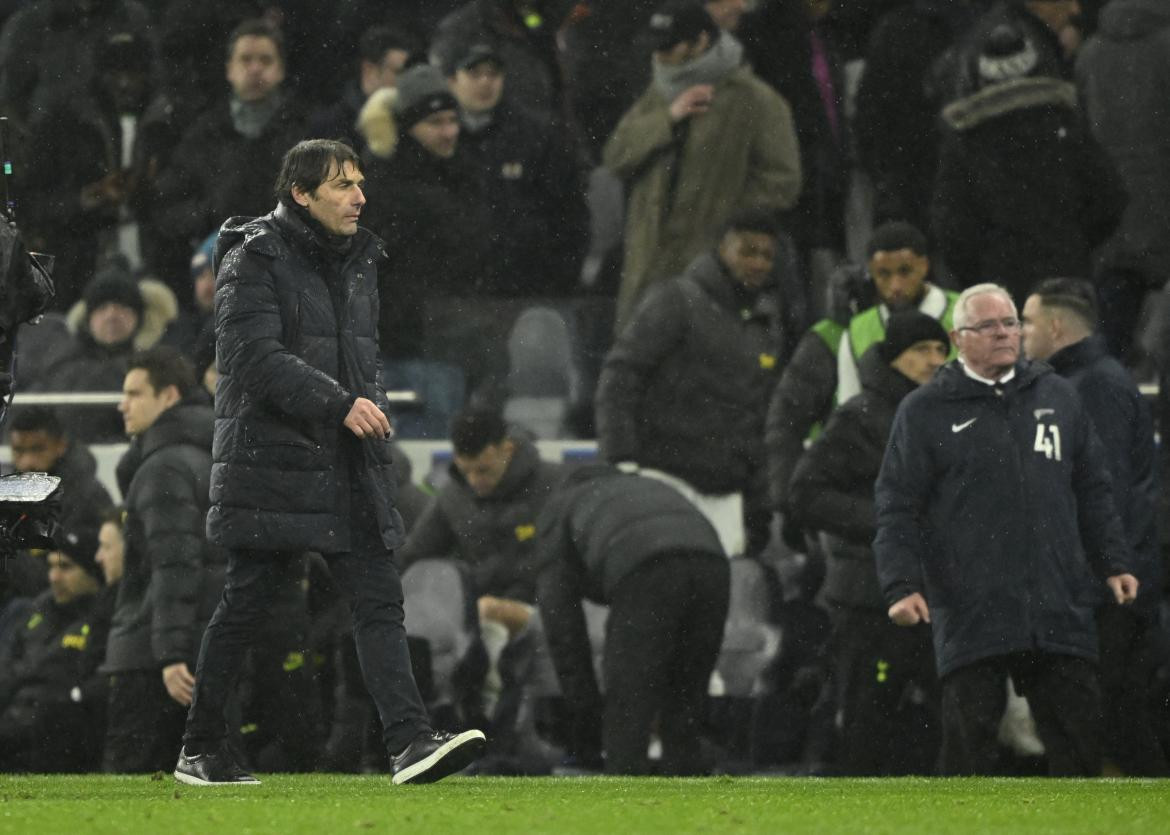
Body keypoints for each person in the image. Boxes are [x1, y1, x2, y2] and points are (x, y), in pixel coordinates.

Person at [174, 139, 484, 786]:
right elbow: (251, 358)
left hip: (344, 458)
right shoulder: (253, 258)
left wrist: (363, 417)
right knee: (247, 603)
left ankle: (408, 741)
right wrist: (341, 402)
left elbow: (356, 358)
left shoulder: (361, 258)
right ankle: (202, 747)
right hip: (272, 462)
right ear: (301, 194)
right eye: (343, 185)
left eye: (359, 183)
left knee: (378, 598)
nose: (359, 196)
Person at [874, 282, 1138, 776]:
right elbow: (896, 506)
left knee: (1079, 747)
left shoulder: (1059, 396)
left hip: (1055, 600)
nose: (1004, 333)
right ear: (959, 338)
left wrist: (1114, 561)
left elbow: (1092, 489)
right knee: (968, 751)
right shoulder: (925, 411)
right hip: (973, 603)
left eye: (1011, 322)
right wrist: (902, 585)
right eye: (988, 326)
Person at [788, 312, 949, 775]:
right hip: (870, 598)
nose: (933, 361)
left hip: (936, 595)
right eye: (921, 351)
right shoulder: (861, 415)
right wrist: (886, 523)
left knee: (942, 723)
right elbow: (805, 492)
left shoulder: (950, 415)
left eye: (940, 350)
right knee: (866, 721)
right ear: (894, 357)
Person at [1021, 278, 1168, 775]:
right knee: (1116, 719)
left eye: (1027, 322)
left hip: (1101, 592)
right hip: (1098, 585)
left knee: (1092, 720)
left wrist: (1090, 581)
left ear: (1056, 326)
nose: (1020, 333)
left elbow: (1104, 494)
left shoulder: (1095, 386)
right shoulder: (1077, 382)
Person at [595, 207, 788, 556]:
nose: (758, 263)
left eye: (767, 255)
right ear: (721, 249)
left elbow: (762, 415)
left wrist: (760, 494)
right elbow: (621, 376)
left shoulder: (767, 323)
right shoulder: (675, 300)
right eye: (747, 251)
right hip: (665, 480)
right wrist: (621, 461)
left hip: (728, 496)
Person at [603, 0, 801, 328]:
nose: (660, 57)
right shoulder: (658, 94)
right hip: (647, 268)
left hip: (714, 269)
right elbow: (616, 156)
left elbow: (782, 181)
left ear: (701, 42)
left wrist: (726, 222)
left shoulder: (754, 100)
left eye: (670, 47)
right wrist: (667, 119)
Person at [533, 463, 729, 774]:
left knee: (629, 708)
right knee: (686, 702)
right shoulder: (646, 488)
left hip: (643, 564)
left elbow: (562, 628)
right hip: (713, 561)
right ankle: (693, 801)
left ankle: (626, 795)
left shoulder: (559, 509)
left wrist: (586, 719)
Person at [764, 221, 956, 530]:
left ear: (925, 265)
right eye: (884, 274)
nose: (895, 285)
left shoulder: (964, 314)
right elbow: (852, 410)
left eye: (905, 271)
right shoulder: (857, 329)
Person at [397, 409, 565, 740]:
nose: (476, 480)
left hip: (552, 610)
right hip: (480, 614)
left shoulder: (553, 485)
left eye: (484, 470)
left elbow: (562, 562)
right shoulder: (453, 496)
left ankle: (482, 724)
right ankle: (465, 724)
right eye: (466, 470)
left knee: (487, 618)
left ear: (508, 449)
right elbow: (414, 556)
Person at [931, 22, 1124, 302]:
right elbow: (1110, 199)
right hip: (1068, 278)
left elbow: (952, 229)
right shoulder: (1065, 125)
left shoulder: (966, 142)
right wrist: (1073, 243)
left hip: (1000, 289)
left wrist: (983, 273)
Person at [101, 346, 223, 774]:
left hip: (151, 658)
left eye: (135, 393)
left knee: (129, 788)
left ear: (168, 396)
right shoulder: (207, 457)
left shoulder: (162, 467)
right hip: (197, 646)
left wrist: (170, 655)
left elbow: (174, 567)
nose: (123, 405)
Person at [445, 40, 589, 297]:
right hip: (454, 291)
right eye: (474, 74)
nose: (485, 82)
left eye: (493, 74)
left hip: (524, 287)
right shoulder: (436, 139)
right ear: (451, 80)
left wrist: (557, 280)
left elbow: (570, 215)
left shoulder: (536, 137)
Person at [152, 19, 306, 254]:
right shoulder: (203, 134)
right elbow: (168, 207)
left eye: (265, 60)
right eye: (246, 60)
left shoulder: (305, 132)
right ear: (229, 70)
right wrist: (212, 215)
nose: (255, 69)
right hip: (218, 262)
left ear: (281, 70)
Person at [1075, 0, 1170, 362]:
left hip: (1113, 226)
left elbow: (1080, 140)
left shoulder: (1091, 54)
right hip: (1164, 215)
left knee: (1108, 351)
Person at [0, 521, 114, 772]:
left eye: (66, 567)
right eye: (51, 566)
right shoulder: (35, 613)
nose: (54, 577)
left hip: (58, 738)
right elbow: (8, 671)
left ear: (92, 573)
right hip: (13, 726)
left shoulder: (104, 621)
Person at [307, 25, 414, 156]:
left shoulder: (412, 122)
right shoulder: (330, 126)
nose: (406, 81)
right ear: (369, 70)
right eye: (398, 72)